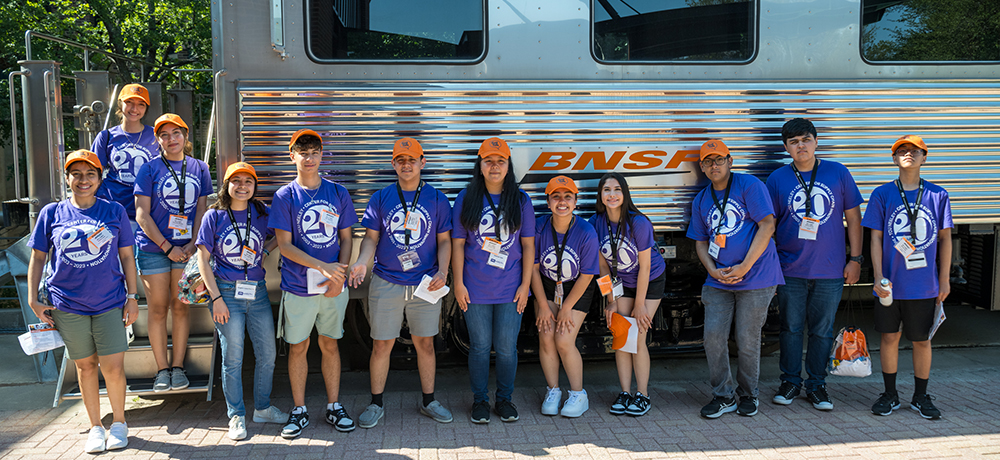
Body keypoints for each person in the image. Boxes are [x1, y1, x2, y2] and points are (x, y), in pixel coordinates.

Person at [27, 150, 139, 453]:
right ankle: (94, 427)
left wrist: (132, 297)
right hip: (66, 304)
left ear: (100, 179)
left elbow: (127, 257)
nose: (83, 180)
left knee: (113, 368)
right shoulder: (51, 213)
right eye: (76, 174)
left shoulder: (114, 211)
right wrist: (33, 298)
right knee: (86, 367)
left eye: (90, 174)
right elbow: (37, 258)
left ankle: (118, 423)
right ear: (67, 179)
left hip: (110, 302)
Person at [348, 138, 455, 428]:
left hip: (425, 283)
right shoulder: (381, 197)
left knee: (426, 344)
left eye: (412, 159)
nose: (406, 165)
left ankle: (429, 400)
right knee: (381, 345)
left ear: (423, 162)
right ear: (393, 164)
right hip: (387, 280)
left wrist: (443, 272)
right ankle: (376, 403)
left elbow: (444, 241)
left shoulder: (437, 199)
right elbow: (371, 238)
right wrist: (361, 263)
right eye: (400, 160)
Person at [765, 118, 865, 411]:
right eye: (794, 142)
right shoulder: (777, 179)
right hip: (789, 268)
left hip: (830, 268)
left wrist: (855, 259)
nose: (801, 146)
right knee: (790, 328)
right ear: (786, 147)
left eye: (806, 139)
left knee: (822, 330)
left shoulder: (837, 172)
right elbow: (767, 225)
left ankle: (817, 384)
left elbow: (854, 218)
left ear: (816, 141)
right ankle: (790, 381)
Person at [269, 129, 359, 437]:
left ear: (322, 156)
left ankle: (334, 406)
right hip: (298, 286)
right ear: (291, 155)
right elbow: (285, 246)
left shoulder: (337, 192)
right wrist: (325, 267)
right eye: (302, 152)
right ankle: (299, 409)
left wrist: (341, 274)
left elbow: (346, 238)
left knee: (330, 344)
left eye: (314, 152)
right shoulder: (285, 196)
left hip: (334, 287)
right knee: (298, 347)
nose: (309, 158)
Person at [687, 140, 784, 419]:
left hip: (757, 276)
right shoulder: (702, 199)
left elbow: (767, 224)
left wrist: (745, 266)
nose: (713, 165)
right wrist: (712, 269)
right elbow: (701, 242)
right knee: (713, 337)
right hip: (719, 279)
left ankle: (748, 395)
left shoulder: (749, 185)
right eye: (707, 162)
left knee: (747, 338)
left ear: (730, 161)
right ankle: (723, 396)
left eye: (719, 160)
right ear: (702, 168)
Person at [862, 135, 951, 420]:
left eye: (915, 150)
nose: (908, 154)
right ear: (893, 159)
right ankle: (890, 394)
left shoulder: (938, 195)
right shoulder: (882, 194)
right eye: (901, 150)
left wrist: (945, 279)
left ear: (925, 157)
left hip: (924, 284)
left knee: (921, 340)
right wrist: (877, 276)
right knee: (889, 337)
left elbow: (946, 240)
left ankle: (920, 396)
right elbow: (874, 238)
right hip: (890, 284)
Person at [196, 162, 286, 440]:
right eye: (237, 181)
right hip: (225, 293)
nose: (243, 186)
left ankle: (263, 408)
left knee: (268, 355)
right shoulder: (214, 216)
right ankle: (235, 415)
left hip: (256, 291)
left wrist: (265, 251)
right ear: (227, 185)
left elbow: (281, 235)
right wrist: (216, 298)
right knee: (233, 358)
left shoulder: (260, 212)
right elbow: (203, 259)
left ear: (254, 186)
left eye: (249, 181)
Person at [452, 137, 535, 424]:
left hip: (511, 288)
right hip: (474, 287)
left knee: (506, 348)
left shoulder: (520, 200)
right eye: (488, 161)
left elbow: (527, 246)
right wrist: (458, 284)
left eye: (500, 161)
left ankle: (505, 399)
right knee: (478, 346)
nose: (494, 166)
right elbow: (458, 244)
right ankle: (480, 401)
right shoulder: (467, 197)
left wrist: (525, 286)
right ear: (480, 165)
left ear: (509, 166)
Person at [134, 113, 211, 393]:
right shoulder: (149, 169)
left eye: (176, 133)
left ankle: (178, 368)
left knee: (181, 306)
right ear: (158, 140)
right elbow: (142, 213)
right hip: (155, 248)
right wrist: (167, 247)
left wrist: (193, 243)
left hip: (186, 249)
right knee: (157, 309)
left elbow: (202, 209)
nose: (171, 139)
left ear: (185, 136)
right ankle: (161, 370)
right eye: (164, 134)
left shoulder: (200, 168)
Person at [591, 172, 666, 417]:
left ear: (625, 194)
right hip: (621, 283)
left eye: (617, 190)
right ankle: (625, 392)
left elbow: (645, 267)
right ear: (600, 195)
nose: (612, 195)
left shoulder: (639, 223)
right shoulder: (596, 223)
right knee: (622, 335)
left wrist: (641, 304)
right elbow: (602, 268)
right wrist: (610, 301)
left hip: (650, 279)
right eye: (606, 190)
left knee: (638, 335)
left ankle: (642, 395)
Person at [530, 175, 599, 418]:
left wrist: (567, 307)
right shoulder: (539, 227)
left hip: (577, 287)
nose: (562, 201)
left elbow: (588, 275)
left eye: (567, 197)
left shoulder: (585, 230)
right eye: (556, 196)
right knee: (546, 334)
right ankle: (553, 390)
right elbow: (533, 268)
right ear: (547, 202)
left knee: (563, 340)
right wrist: (543, 305)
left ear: (576, 202)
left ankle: (579, 394)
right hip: (547, 286)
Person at [92, 83, 158, 227]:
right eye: (129, 102)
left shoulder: (156, 136)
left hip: (148, 212)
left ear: (146, 108)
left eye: (141, 104)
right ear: (120, 104)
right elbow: (92, 173)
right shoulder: (106, 136)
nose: (135, 109)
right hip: (112, 210)